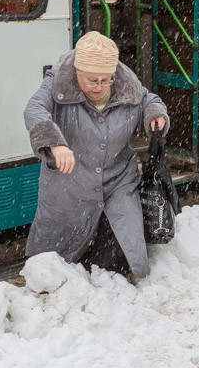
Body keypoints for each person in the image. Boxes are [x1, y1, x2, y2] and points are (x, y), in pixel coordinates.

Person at [24, 31, 169, 282]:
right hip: (70, 181)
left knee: (123, 248)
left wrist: (154, 114)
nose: (99, 87)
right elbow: (34, 109)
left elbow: (148, 99)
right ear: (77, 72)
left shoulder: (127, 83)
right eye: (91, 80)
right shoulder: (57, 82)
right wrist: (55, 144)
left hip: (118, 179)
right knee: (54, 261)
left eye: (105, 80)